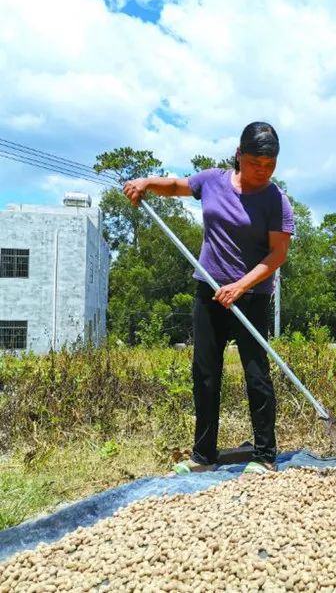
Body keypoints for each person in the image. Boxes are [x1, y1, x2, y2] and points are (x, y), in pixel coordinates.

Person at [123, 121, 294, 475]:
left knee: (256, 373)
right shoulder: (213, 180)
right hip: (209, 291)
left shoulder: (276, 201)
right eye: (255, 164)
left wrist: (241, 286)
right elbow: (178, 186)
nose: (263, 172)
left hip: (251, 295)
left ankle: (264, 455)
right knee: (204, 372)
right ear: (238, 155)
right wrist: (146, 183)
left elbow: (277, 256)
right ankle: (204, 456)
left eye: (270, 165)